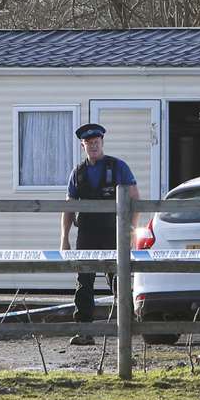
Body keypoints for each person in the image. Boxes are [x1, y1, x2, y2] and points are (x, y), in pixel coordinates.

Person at [58, 123, 138, 345]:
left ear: (102, 142)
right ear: (83, 145)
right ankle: (84, 330)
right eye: (88, 143)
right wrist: (64, 238)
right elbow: (69, 207)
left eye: (96, 142)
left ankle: (128, 329)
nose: (93, 146)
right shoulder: (78, 172)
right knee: (84, 282)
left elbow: (135, 200)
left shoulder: (118, 167)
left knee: (119, 281)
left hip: (114, 233)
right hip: (87, 234)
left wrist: (131, 231)